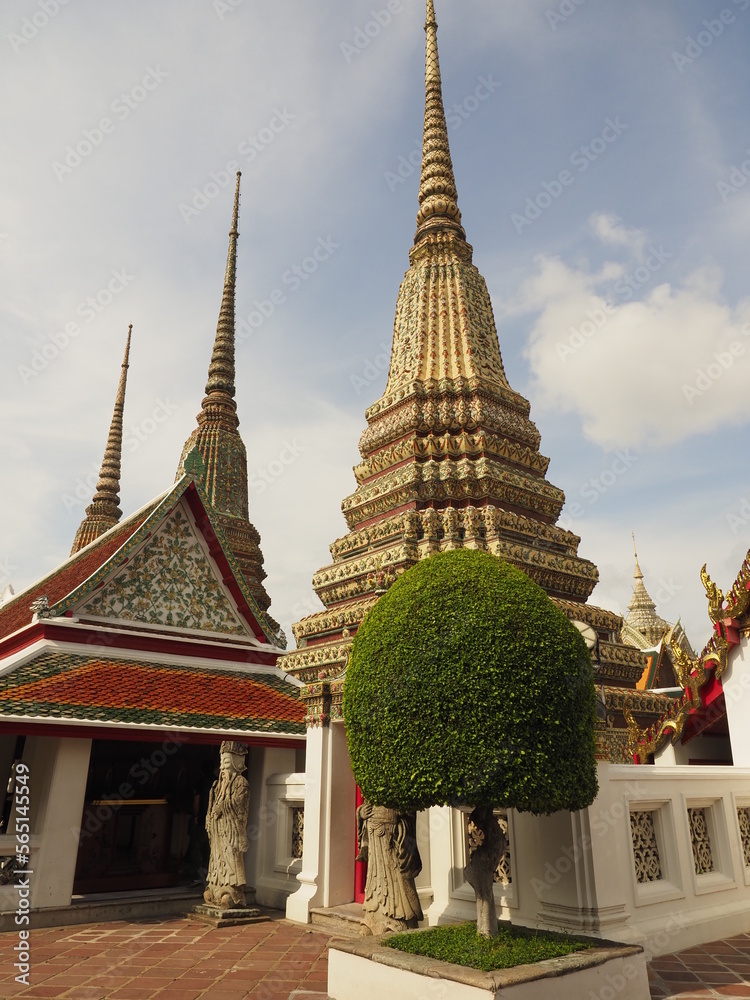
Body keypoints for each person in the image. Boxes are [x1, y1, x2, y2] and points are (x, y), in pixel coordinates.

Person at [204, 742, 250, 909]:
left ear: (237, 762)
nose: (223, 768)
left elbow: (239, 805)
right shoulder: (217, 786)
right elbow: (211, 806)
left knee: (231, 855)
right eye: (221, 763)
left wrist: (222, 808)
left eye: (227, 763)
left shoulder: (241, 783)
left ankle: (233, 891)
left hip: (231, 830)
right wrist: (210, 817)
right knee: (216, 858)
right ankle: (215, 886)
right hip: (218, 830)